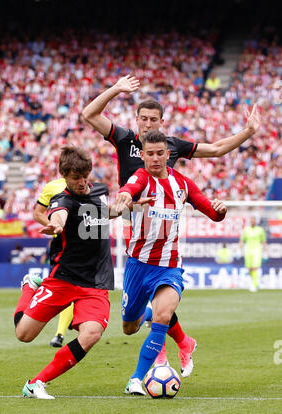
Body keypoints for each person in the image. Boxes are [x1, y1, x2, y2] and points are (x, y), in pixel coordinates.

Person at [82, 74, 260, 375]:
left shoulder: (171, 146)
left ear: (161, 122)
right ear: (136, 120)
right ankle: (181, 341)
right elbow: (89, 114)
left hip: (161, 220)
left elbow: (216, 149)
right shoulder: (124, 139)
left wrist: (248, 131)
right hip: (128, 215)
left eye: (153, 120)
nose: (148, 124)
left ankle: (158, 359)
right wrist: (115, 89)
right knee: (131, 323)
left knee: (158, 287)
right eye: (143, 119)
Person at [115, 130, 227, 395]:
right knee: (129, 327)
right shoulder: (141, 178)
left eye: (159, 154)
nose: (155, 159)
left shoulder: (183, 185)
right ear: (142, 155)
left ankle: (136, 379)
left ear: (168, 154)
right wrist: (124, 196)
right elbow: (129, 188)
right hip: (137, 266)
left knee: (163, 316)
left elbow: (211, 212)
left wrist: (220, 212)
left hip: (169, 267)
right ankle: (157, 319)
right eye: (149, 154)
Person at [13, 145, 114, 399]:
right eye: (74, 178)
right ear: (64, 177)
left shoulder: (101, 191)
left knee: (91, 334)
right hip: (63, 279)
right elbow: (59, 215)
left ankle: (36, 383)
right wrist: (55, 225)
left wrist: (127, 206)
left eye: (84, 176)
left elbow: (104, 211)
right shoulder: (62, 199)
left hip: (95, 282)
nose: (81, 182)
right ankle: (29, 286)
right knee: (23, 334)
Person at [33, 176, 73, 348]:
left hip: (85, 246)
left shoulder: (87, 186)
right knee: (66, 288)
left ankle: (60, 332)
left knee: (79, 289)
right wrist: (54, 226)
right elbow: (37, 213)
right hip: (62, 246)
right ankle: (61, 332)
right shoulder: (52, 187)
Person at [239, 216, 267, 292]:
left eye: (254, 220)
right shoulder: (246, 230)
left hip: (257, 250)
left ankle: (254, 285)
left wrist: (265, 251)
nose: (252, 221)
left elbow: (264, 241)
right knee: (250, 268)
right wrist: (239, 250)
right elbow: (242, 240)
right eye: (251, 220)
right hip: (248, 250)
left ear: (256, 221)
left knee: (255, 267)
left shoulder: (260, 230)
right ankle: (255, 282)